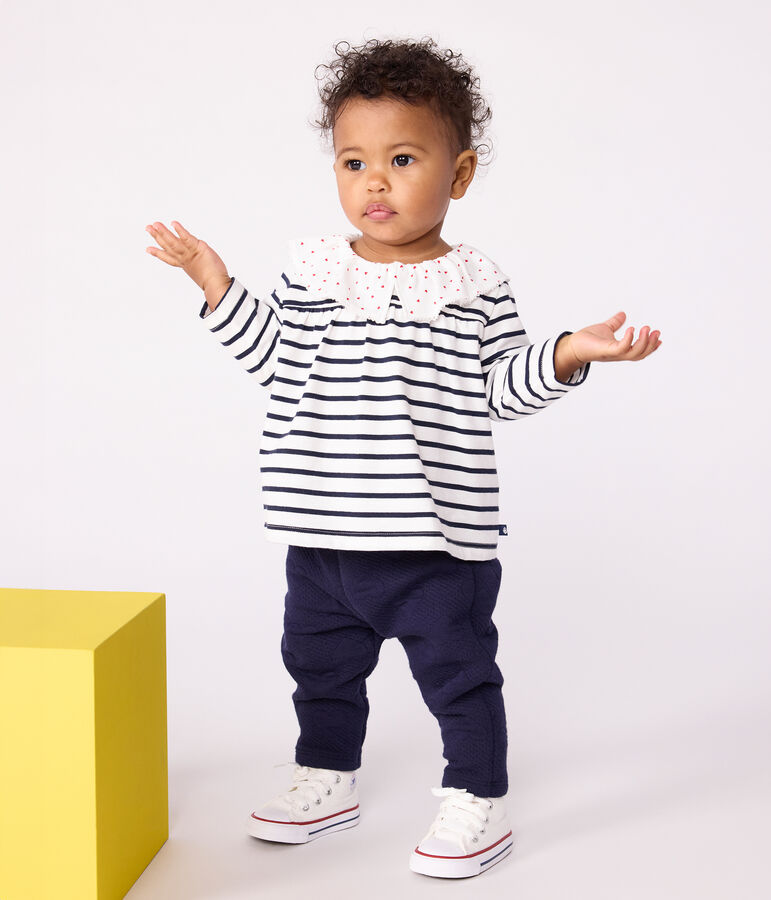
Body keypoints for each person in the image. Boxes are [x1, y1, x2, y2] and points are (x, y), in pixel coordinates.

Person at [145, 36, 661, 879]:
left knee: (458, 677)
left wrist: (568, 350)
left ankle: (478, 796)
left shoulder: (474, 284)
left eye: (402, 159)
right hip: (322, 539)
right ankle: (326, 775)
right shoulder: (314, 271)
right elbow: (276, 360)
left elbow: (500, 387)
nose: (374, 182)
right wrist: (214, 282)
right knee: (317, 670)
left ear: (459, 175)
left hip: (432, 546)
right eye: (353, 162)